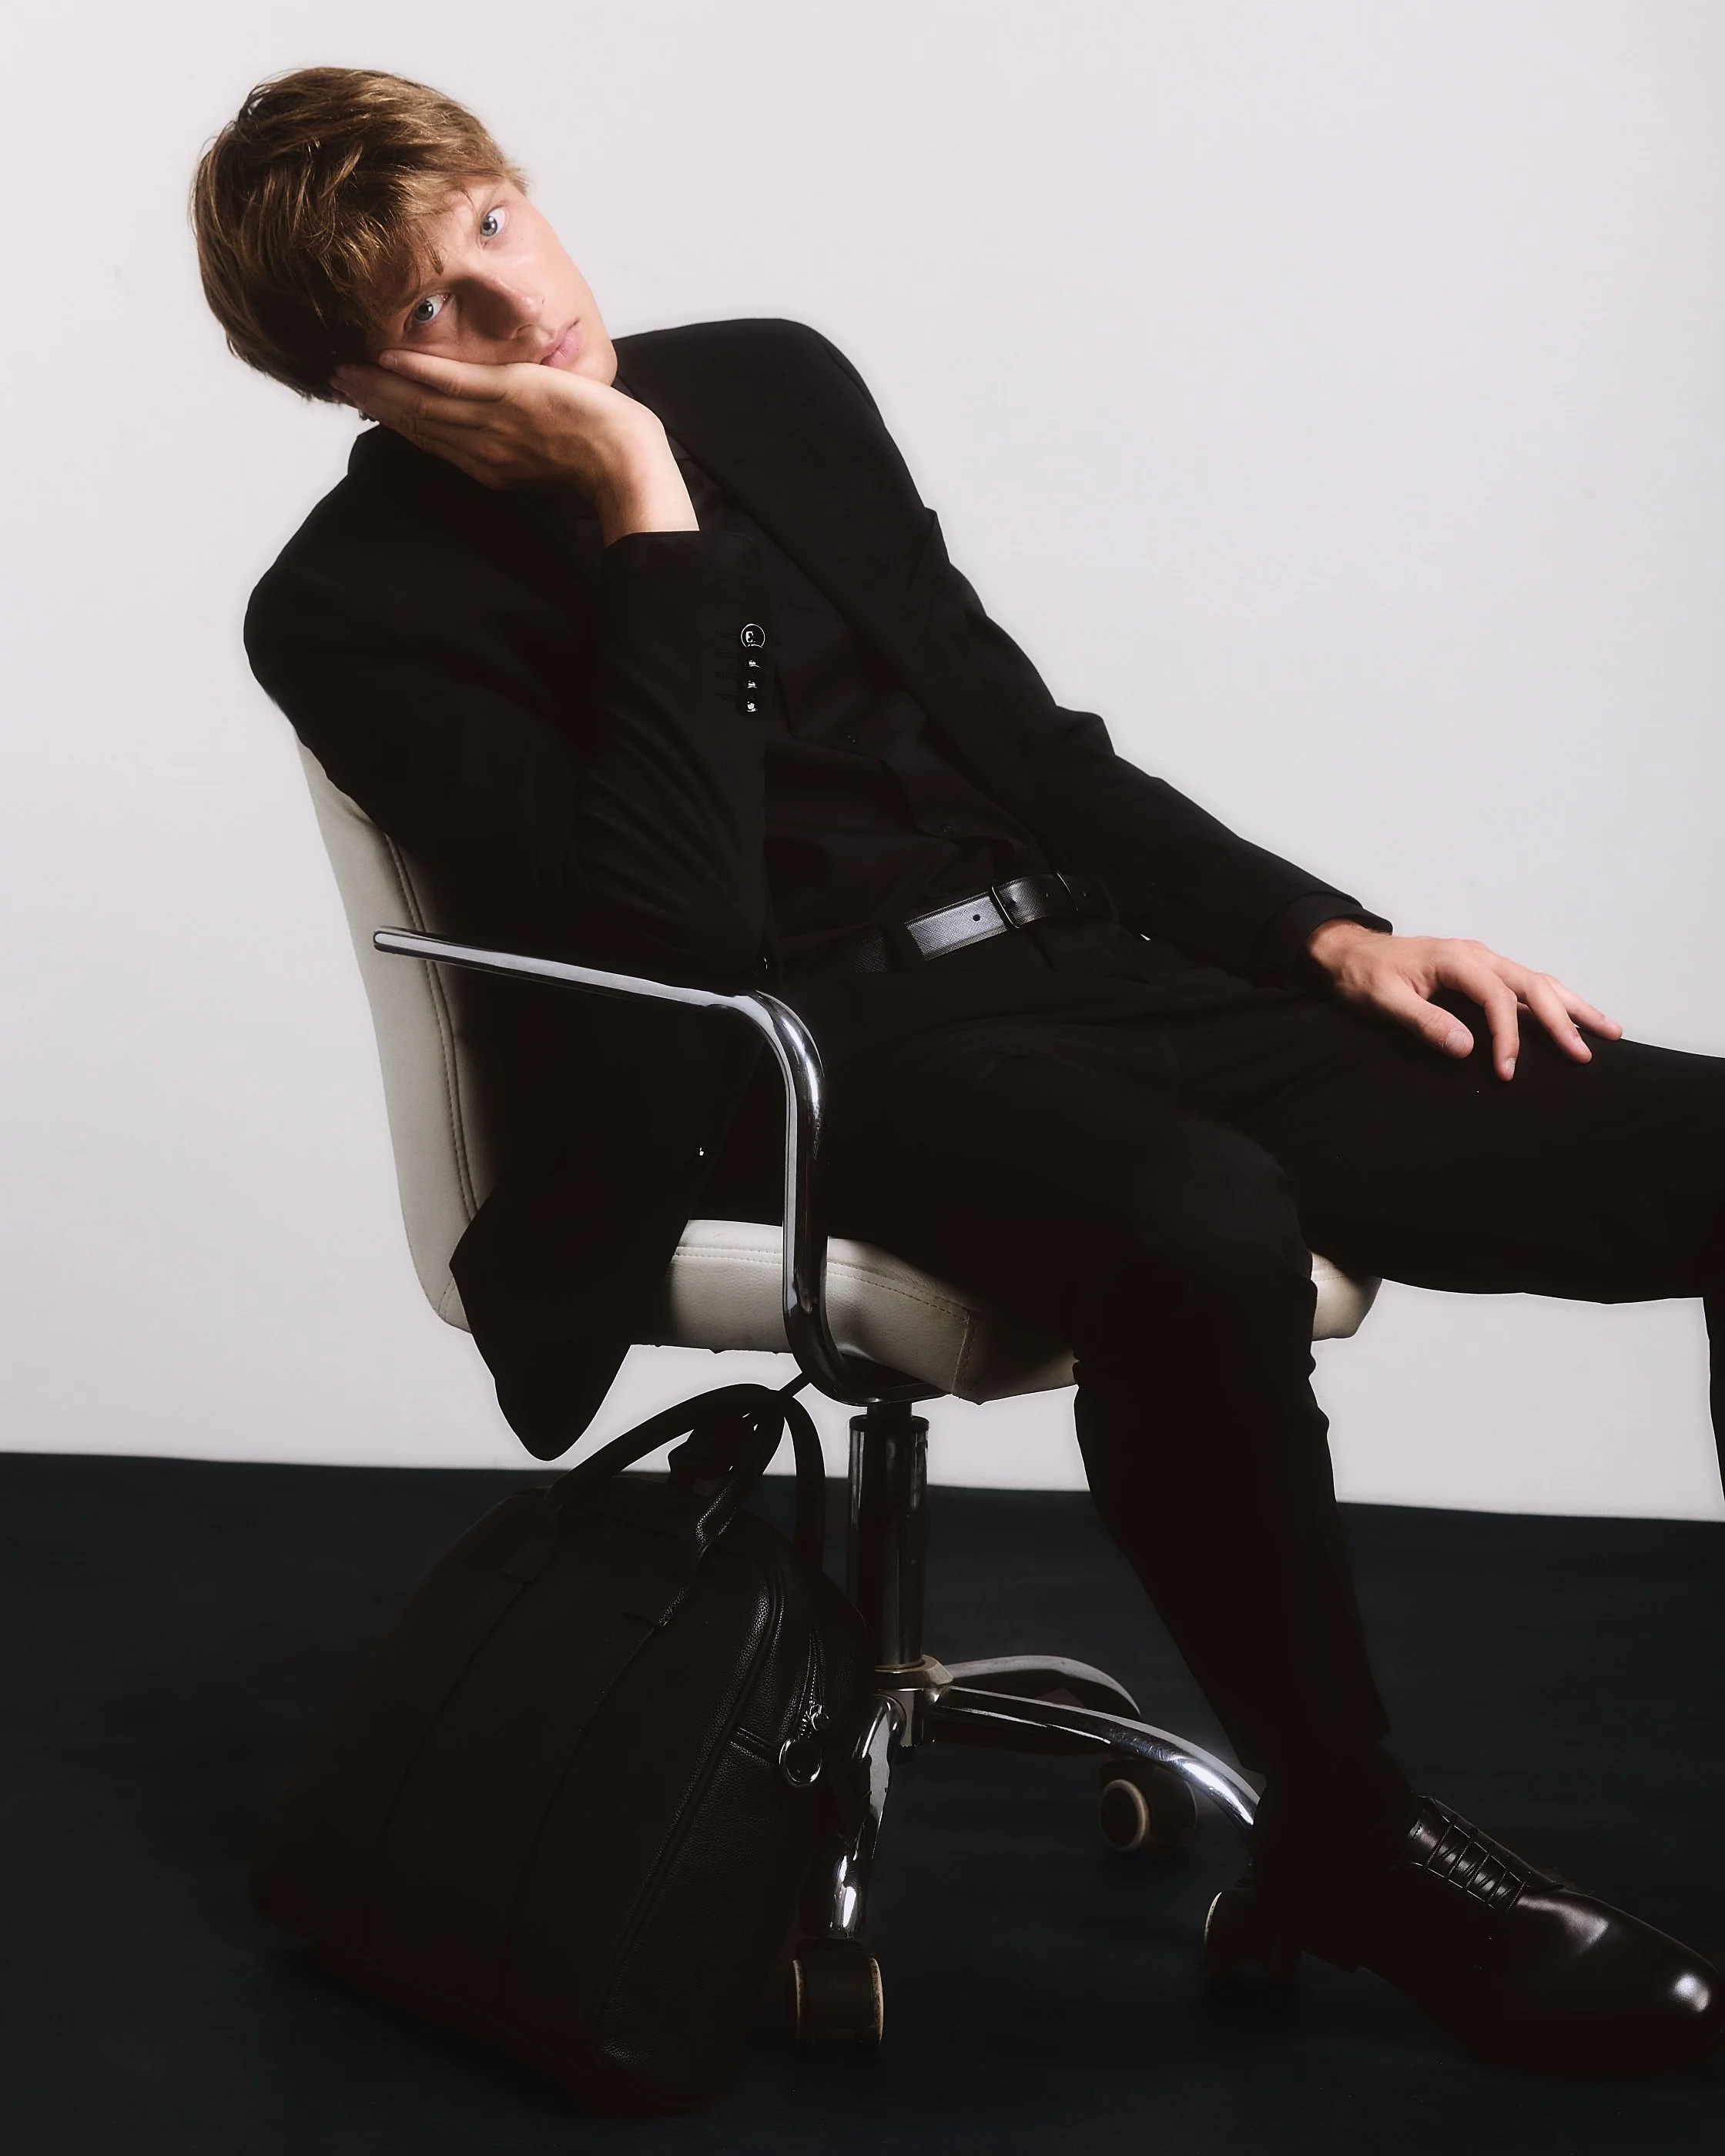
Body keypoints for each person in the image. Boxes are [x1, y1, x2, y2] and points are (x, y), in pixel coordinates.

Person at [193, 66, 1725, 2077]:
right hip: (807, 1061)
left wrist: (1326, 935)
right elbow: (671, 934)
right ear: (358, 383)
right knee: (1198, 1220)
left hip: (1097, 973)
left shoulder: (776, 384)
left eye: (492, 223)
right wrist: (641, 501)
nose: (511, 303)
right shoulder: (349, 612)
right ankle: (1352, 1841)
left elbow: (1025, 745)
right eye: (427, 308)